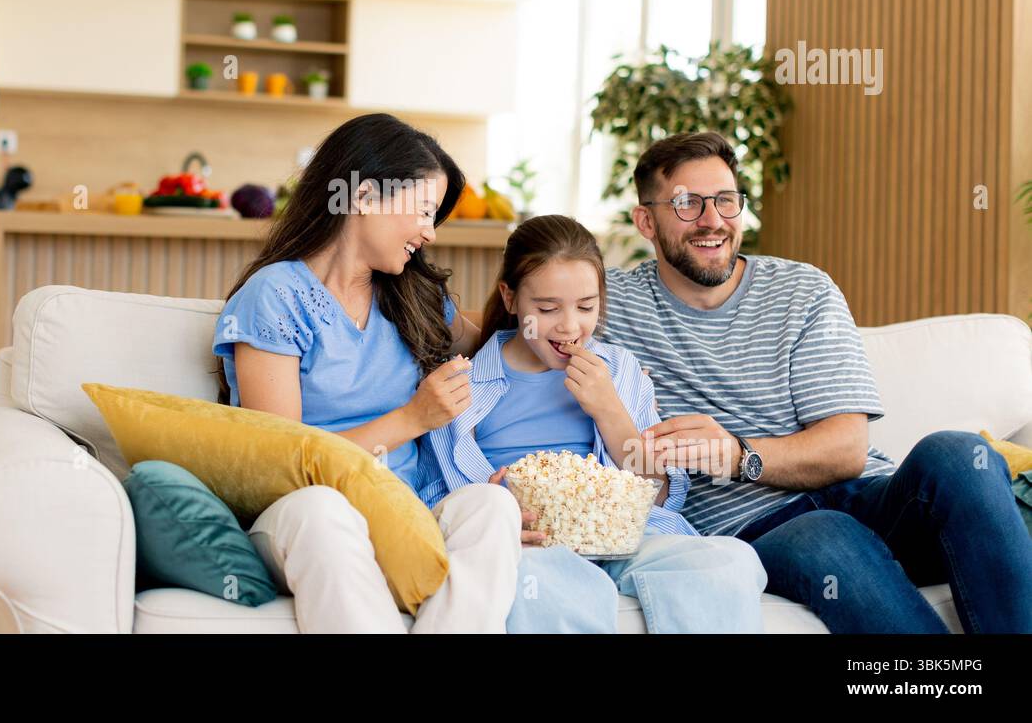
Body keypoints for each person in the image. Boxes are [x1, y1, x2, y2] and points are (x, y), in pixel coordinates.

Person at [602, 130, 1032, 632]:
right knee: (823, 533)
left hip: (869, 498)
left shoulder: (801, 289)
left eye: (725, 200)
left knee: (959, 453)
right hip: (758, 530)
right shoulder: (608, 301)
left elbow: (846, 449)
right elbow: (514, 309)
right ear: (645, 221)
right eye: (687, 204)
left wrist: (736, 456)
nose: (713, 220)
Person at [212, 113, 523, 633]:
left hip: (407, 509)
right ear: (363, 197)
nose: (428, 232)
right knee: (322, 511)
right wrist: (413, 417)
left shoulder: (415, 299)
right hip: (302, 514)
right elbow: (285, 462)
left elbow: (500, 347)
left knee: (492, 506)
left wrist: (561, 319)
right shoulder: (276, 297)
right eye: (424, 211)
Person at [420, 214, 767, 633]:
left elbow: (658, 495)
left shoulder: (618, 369)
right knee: (550, 585)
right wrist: (489, 512)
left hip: (626, 535)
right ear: (510, 299)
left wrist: (609, 409)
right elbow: (433, 495)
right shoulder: (462, 385)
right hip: (534, 544)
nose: (570, 326)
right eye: (547, 308)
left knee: (729, 560)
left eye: (586, 306)